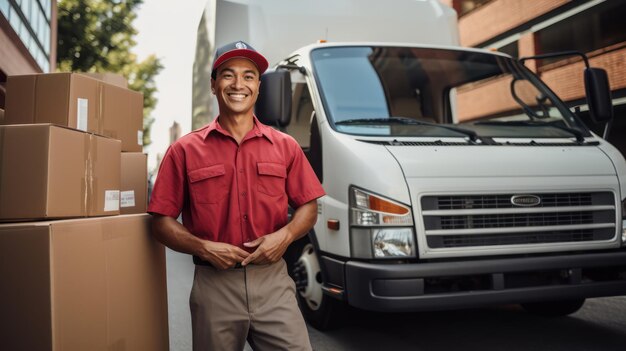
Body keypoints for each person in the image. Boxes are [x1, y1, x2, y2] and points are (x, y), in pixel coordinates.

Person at [147, 40, 324, 351]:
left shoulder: (285, 147)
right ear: (214, 85)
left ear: (258, 86)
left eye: (249, 75)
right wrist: (204, 247)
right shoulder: (184, 150)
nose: (238, 84)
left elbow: (309, 206)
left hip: (273, 283)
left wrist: (284, 237)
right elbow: (161, 223)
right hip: (214, 285)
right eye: (228, 75)